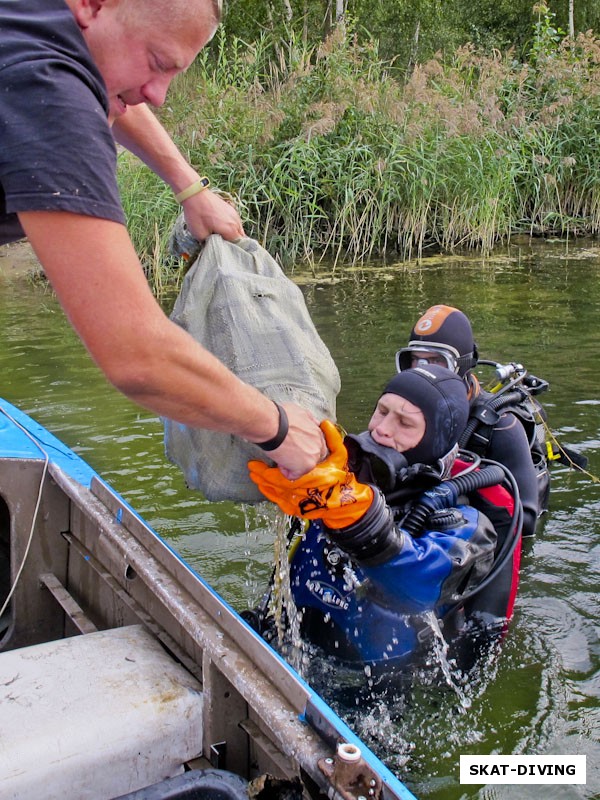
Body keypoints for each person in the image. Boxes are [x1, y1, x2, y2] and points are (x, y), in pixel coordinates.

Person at [0, 0, 325, 479]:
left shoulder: (39, 17)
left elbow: (111, 81)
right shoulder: (49, 89)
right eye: (157, 63)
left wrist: (190, 188)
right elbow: (137, 357)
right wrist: (276, 427)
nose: (159, 95)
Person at [248, 366, 522, 677]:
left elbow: (418, 586)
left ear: (435, 441)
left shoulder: (468, 527)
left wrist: (356, 517)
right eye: (382, 411)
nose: (381, 429)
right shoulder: (336, 479)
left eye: (405, 423)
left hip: (371, 687)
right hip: (282, 638)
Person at [395, 305, 549, 537]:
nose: (423, 372)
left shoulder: (501, 427)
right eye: (415, 360)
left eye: (437, 361)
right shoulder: (398, 416)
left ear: (463, 364)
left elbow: (526, 522)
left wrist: (451, 501)